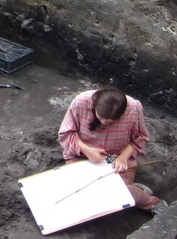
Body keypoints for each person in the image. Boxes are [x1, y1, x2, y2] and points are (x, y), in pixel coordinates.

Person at [58, 86, 167, 214]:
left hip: (117, 159)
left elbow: (141, 138)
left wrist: (123, 157)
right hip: (81, 155)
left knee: (113, 195)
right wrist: (87, 150)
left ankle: (149, 202)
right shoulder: (81, 102)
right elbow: (66, 134)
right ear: (95, 106)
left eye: (111, 121)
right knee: (77, 193)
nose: (104, 123)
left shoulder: (133, 108)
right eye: (101, 118)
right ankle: (133, 190)